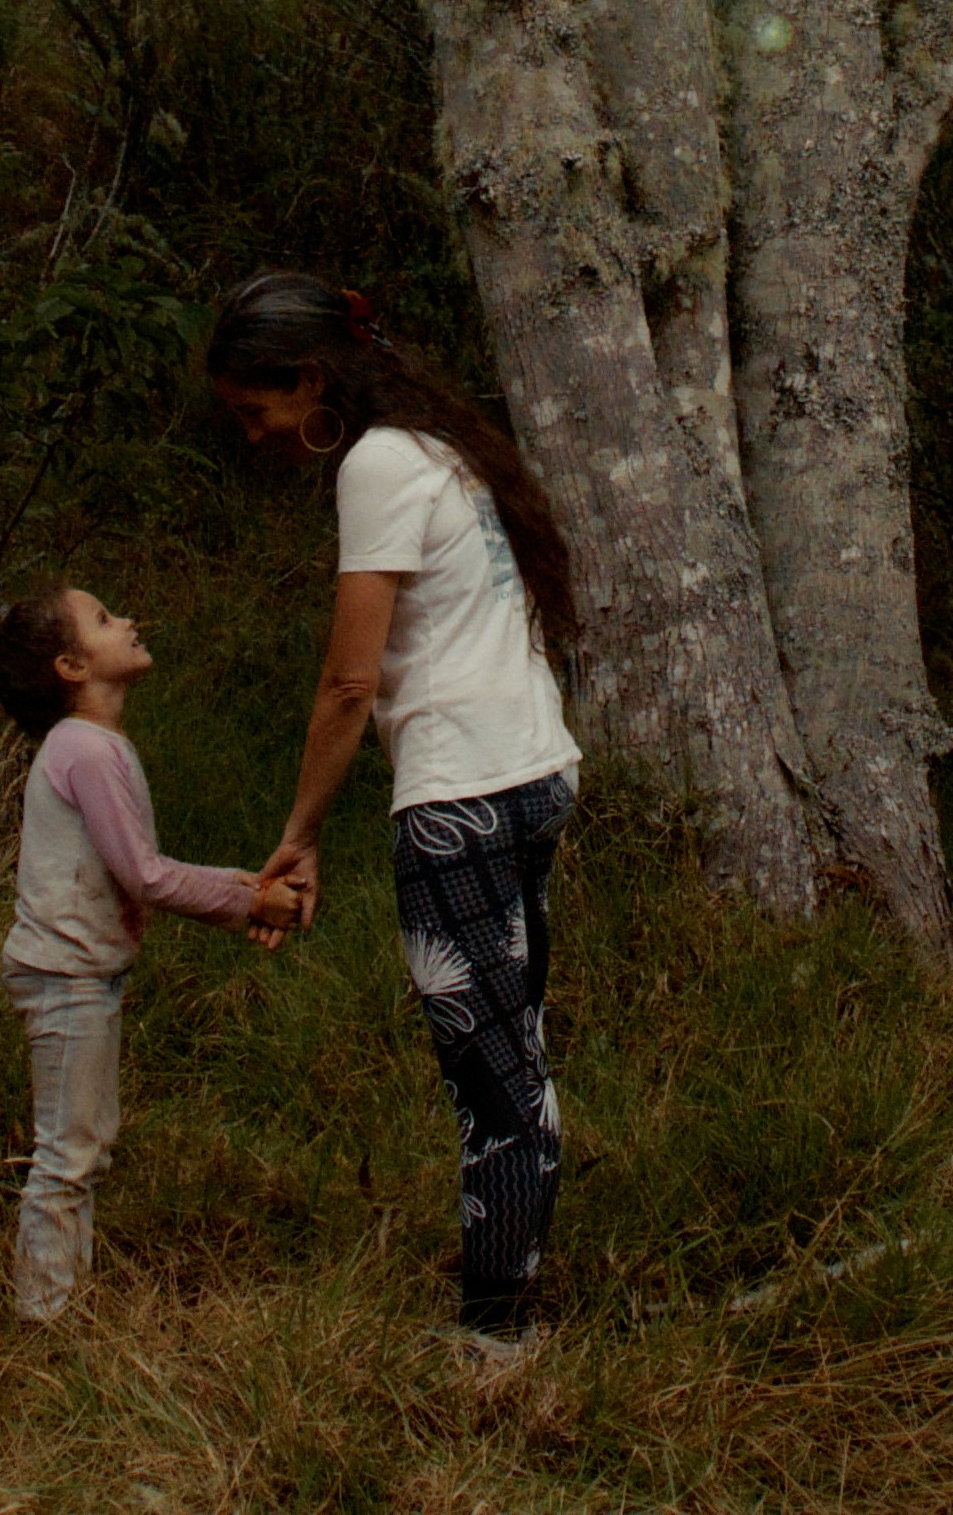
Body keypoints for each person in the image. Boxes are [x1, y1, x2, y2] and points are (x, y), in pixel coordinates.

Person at [212, 271, 586, 1371]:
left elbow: (349, 679)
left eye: (255, 409)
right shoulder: (441, 448)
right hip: (534, 773)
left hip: (459, 801)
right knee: (516, 1054)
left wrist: (300, 832)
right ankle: (512, 1296)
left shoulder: (376, 464)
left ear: (310, 379)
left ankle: (497, 1340)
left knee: (491, 1084)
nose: (254, 434)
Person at [0, 582, 309, 1324]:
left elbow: (139, 865)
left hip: (77, 973)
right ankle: (44, 1321)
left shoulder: (92, 746)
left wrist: (244, 884)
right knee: (68, 1154)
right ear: (70, 666)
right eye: (102, 619)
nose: (127, 620)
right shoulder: (86, 750)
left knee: (85, 1144)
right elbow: (145, 877)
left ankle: (60, 1305)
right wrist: (250, 903)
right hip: (65, 974)